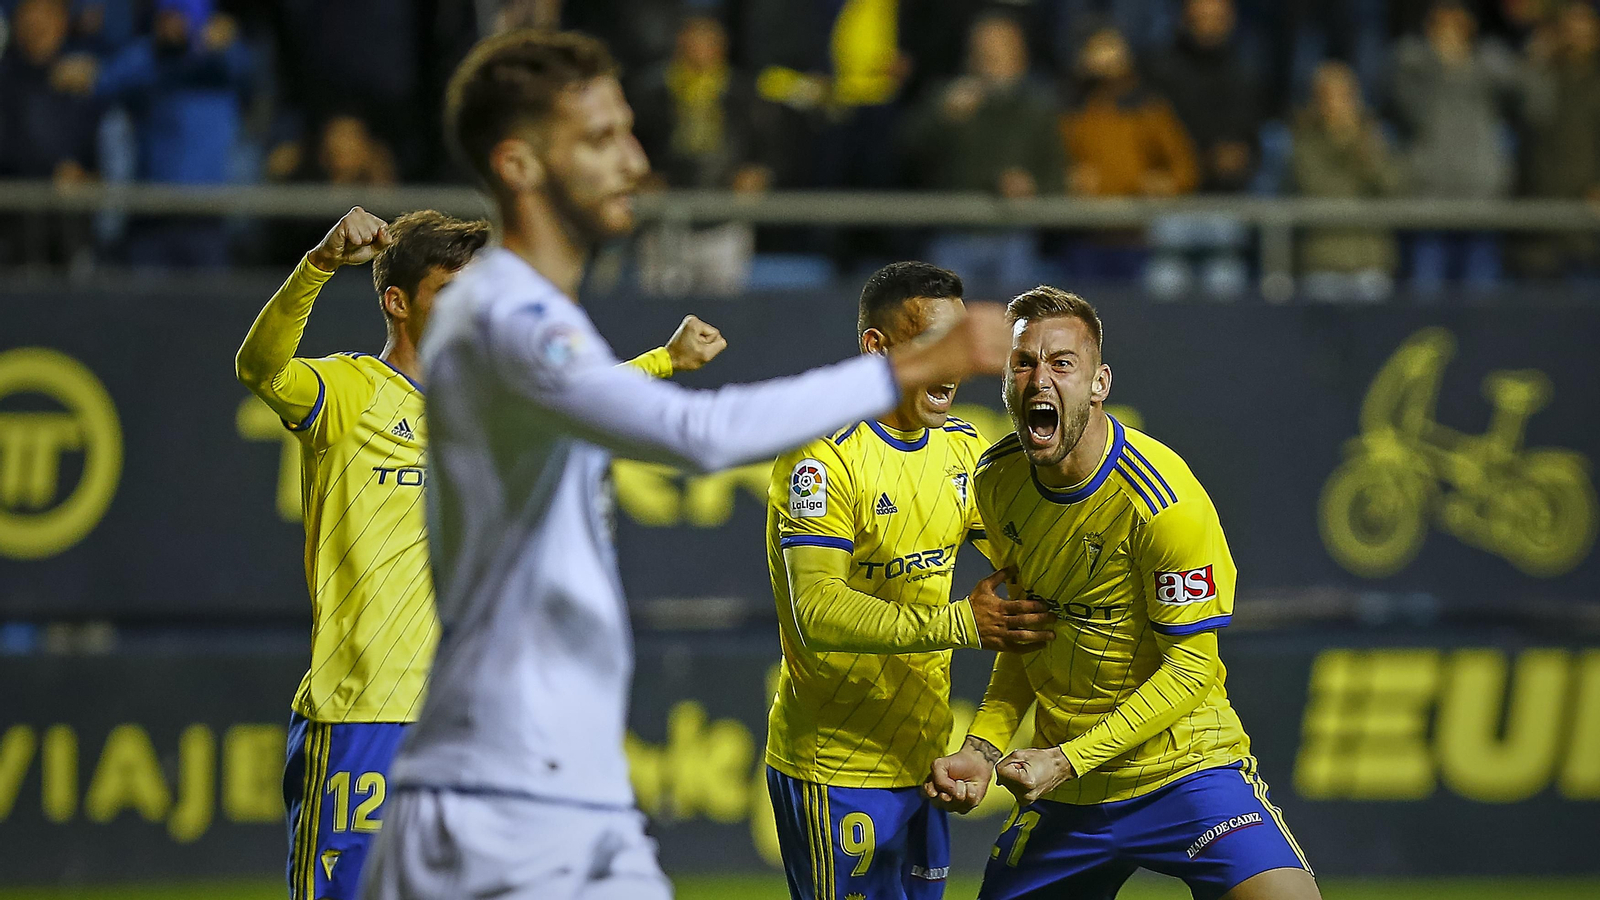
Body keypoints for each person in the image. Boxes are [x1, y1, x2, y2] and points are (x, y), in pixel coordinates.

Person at [358, 29, 1010, 900]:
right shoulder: (504, 316)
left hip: (568, 784)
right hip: (489, 793)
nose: (633, 159)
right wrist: (915, 364)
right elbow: (698, 434)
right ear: (518, 164)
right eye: (598, 139)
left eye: (628, 130)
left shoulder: (537, 319)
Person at [235, 206, 725, 900]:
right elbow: (260, 367)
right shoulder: (346, 392)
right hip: (362, 714)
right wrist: (317, 265)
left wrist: (667, 361)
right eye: (450, 290)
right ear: (398, 303)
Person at [925, 286, 1319, 900]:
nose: (1039, 379)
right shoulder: (997, 480)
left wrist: (1065, 758)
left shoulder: (1163, 504)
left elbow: (1192, 669)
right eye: (1023, 362)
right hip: (1071, 796)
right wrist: (981, 747)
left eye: (1062, 363)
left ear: (1099, 382)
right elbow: (1031, 632)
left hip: (1184, 772)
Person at [764, 261, 1056, 900]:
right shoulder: (822, 454)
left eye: (960, 345)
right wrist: (957, 622)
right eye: (933, 344)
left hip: (925, 762)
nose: (953, 367)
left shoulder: (961, 448)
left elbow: (1029, 559)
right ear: (878, 348)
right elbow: (815, 608)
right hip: (836, 764)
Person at [904, 13, 1064, 288]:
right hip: (954, 232)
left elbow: (1057, 174)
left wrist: (1032, 187)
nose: (994, 59)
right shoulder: (948, 99)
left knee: (1014, 320)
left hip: (1013, 235)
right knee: (950, 322)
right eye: (985, 50)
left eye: (1002, 50)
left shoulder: (1038, 109)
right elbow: (907, 151)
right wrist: (943, 116)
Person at [1291, 61, 1404, 303]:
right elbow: (1315, 189)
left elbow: (1393, 186)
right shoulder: (1304, 141)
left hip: (1370, 260)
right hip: (1322, 261)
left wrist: (1364, 147)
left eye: (1345, 95)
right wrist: (1340, 141)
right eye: (1327, 96)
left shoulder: (1373, 137)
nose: (1336, 104)